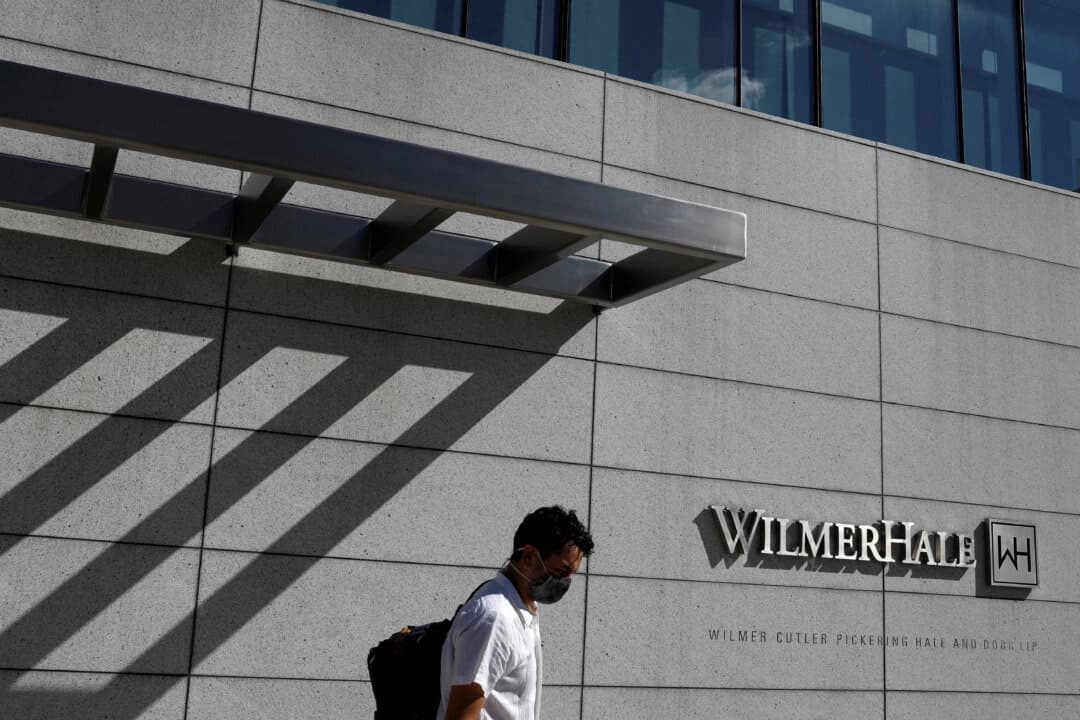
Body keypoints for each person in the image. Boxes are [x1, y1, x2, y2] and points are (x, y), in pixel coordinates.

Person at [438, 505, 594, 720]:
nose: (565, 582)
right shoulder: (495, 618)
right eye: (560, 571)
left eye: (571, 574)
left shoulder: (522, 606)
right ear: (529, 556)